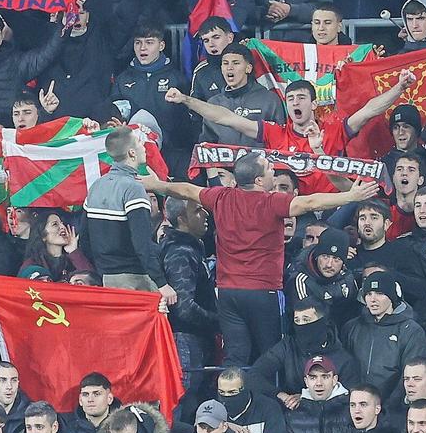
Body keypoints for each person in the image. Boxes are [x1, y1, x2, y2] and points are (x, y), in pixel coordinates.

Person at [145, 152, 383, 365]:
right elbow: (310, 202)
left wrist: (156, 185)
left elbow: (187, 190)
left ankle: (232, 399)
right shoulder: (272, 202)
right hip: (263, 292)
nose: (273, 171)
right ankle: (269, 398)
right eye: (269, 168)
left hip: (228, 294)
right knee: (272, 354)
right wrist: (351, 196)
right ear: (259, 180)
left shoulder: (221, 197)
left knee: (235, 356)